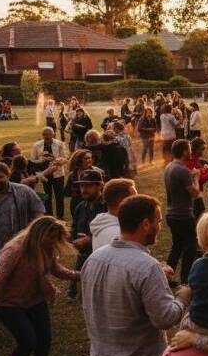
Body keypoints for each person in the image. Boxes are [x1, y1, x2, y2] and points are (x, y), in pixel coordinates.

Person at [81, 195, 191, 356]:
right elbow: (165, 318)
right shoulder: (146, 267)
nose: (160, 227)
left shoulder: (94, 258)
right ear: (145, 224)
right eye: (158, 221)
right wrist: (184, 295)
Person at [0, 217, 79, 356]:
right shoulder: (14, 251)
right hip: (9, 304)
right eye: (50, 237)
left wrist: (80, 275)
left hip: (35, 300)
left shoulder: (47, 249)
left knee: (45, 338)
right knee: (27, 340)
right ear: (39, 234)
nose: (53, 242)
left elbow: (56, 270)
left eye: (55, 238)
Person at [164, 139, 201, 281]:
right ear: (184, 151)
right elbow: (195, 193)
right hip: (183, 215)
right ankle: (186, 279)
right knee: (190, 247)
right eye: (189, 148)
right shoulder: (182, 170)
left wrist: (189, 177)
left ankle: (167, 276)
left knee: (177, 245)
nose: (191, 151)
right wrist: (196, 178)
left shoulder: (170, 167)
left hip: (171, 213)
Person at [67, 169, 107, 300]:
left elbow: (115, 234)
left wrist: (90, 240)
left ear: (100, 186)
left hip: (103, 258)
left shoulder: (107, 207)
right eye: (82, 185)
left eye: (89, 186)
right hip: (83, 256)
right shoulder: (80, 206)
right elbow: (74, 229)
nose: (84, 189)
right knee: (75, 295)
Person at [91, 178, 137, 252]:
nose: (137, 202)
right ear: (122, 202)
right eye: (134, 198)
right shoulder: (119, 235)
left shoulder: (102, 224)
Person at [30, 126, 67, 219]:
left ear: (53, 134)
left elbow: (64, 157)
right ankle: (49, 216)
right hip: (45, 175)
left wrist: (57, 160)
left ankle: (60, 217)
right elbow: (33, 160)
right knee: (47, 196)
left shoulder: (59, 144)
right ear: (42, 135)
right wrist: (42, 160)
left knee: (59, 196)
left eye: (49, 134)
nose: (47, 136)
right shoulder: (37, 145)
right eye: (45, 134)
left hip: (58, 174)